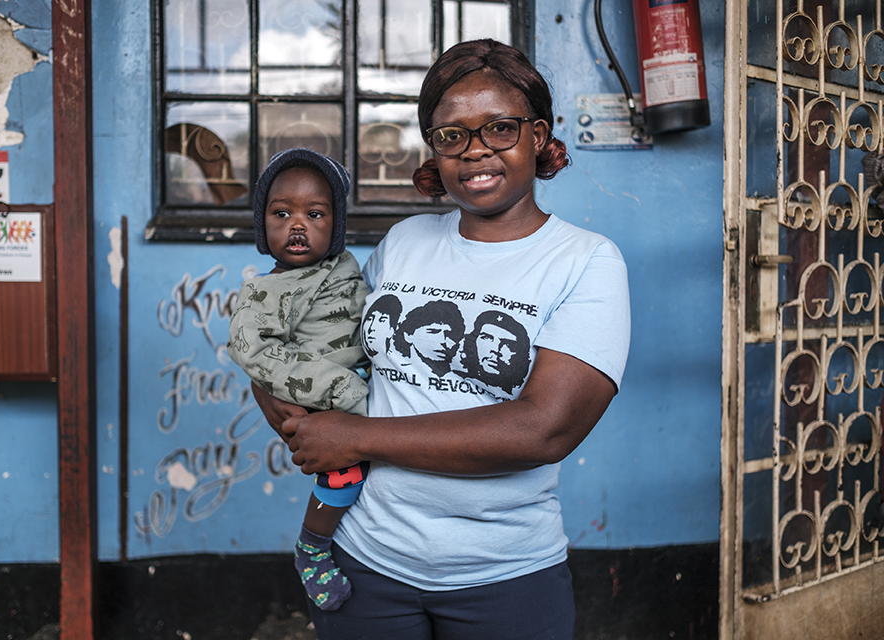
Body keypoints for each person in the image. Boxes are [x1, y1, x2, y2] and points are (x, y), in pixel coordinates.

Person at [253, 38, 631, 640]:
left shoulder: (584, 260)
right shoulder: (406, 240)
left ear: (537, 135)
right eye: (452, 134)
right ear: (435, 148)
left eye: (498, 129)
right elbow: (328, 344)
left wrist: (352, 436)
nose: (475, 150)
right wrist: (284, 397)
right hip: (364, 561)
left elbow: (545, 428)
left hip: (504, 578)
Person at [226, 148, 370, 612]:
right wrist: (341, 390)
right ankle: (312, 546)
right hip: (326, 400)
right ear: (262, 225)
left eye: (315, 214)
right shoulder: (267, 291)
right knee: (345, 477)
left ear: (337, 224)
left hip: (357, 383)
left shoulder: (340, 265)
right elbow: (253, 351)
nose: (297, 225)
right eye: (281, 213)